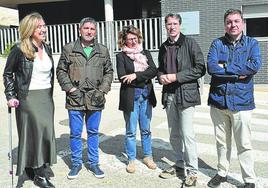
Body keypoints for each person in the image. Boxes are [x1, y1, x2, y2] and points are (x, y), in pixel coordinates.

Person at [206, 9, 262, 188]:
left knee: (244, 144)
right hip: (218, 101)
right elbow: (212, 68)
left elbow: (254, 66)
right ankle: (222, 172)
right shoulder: (217, 44)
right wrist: (238, 74)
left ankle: (249, 180)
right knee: (222, 142)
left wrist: (226, 67)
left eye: (237, 21)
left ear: (243, 23)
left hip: (241, 102)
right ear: (225, 24)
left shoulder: (252, 44)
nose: (233, 25)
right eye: (229, 22)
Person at [3, 12, 56, 188]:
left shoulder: (46, 47)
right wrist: (11, 96)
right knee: (36, 134)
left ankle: (32, 168)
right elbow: (8, 73)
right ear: (30, 29)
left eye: (43, 26)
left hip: (46, 97)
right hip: (28, 98)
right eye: (38, 26)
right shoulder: (19, 49)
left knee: (45, 132)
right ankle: (40, 174)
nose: (43, 29)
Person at [56, 17, 113, 180]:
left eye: (92, 29)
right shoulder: (69, 49)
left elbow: (109, 71)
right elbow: (61, 71)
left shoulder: (102, 50)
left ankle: (93, 163)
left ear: (96, 32)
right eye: (86, 28)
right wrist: (70, 88)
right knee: (75, 133)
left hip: (95, 98)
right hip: (75, 98)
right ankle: (76, 163)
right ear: (79, 30)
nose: (89, 31)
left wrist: (102, 90)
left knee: (93, 132)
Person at [157, 13, 206, 186]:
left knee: (187, 135)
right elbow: (160, 69)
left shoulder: (190, 43)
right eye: (169, 24)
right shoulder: (163, 47)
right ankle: (179, 165)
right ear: (165, 26)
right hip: (169, 95)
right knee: (174, 135)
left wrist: (176, 76)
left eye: (175, 23)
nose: (172, 27)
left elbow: (200, 68)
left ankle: (192, 171)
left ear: (180, 25)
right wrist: (161, 76)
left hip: (186, 94)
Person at [116, 25, 158, 173]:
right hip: (130, 97)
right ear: (124, 41)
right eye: (129, 39)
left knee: (146, 129)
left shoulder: (145, 53)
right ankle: (131, 159)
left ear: (139, 38)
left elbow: (153, 70)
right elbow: (122, 76)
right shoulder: (121, 56)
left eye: (135, 38)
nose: (133, 42)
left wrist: (135, 75)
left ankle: (148, 156)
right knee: (131, 131)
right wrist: (143, 76)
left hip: (146, 95)